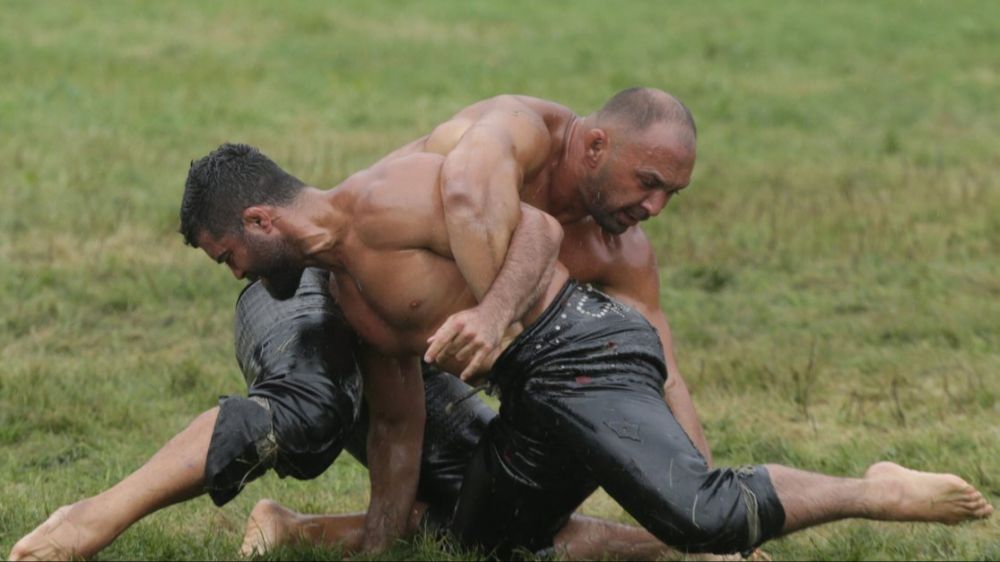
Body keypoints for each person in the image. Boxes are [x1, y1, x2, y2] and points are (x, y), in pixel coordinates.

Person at [181, 143, 991, 557]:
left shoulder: (392, 201)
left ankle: (875, 489)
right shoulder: (352, 289)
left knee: (703, 514)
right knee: (485, 548)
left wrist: (496, 317)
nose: (237, 277)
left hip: (580, 351)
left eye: (227, 260)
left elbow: (537, 228)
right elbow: (395, 422)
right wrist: (382, 541)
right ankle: (299, 524)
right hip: (531, 395)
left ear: (260, 222)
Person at [12, 88, 717, 560]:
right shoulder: (513, 132)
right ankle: (91, 516)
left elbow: (665, 371)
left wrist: (704, 507)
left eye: (670, 194)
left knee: (489, 512)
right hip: (311, 274)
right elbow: (483, 199)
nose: (653, 206)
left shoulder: (620, 251)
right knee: (309, 408)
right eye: (647, 182)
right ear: (595, 147)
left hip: (405, 330)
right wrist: (498, 318)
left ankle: (292, 528)